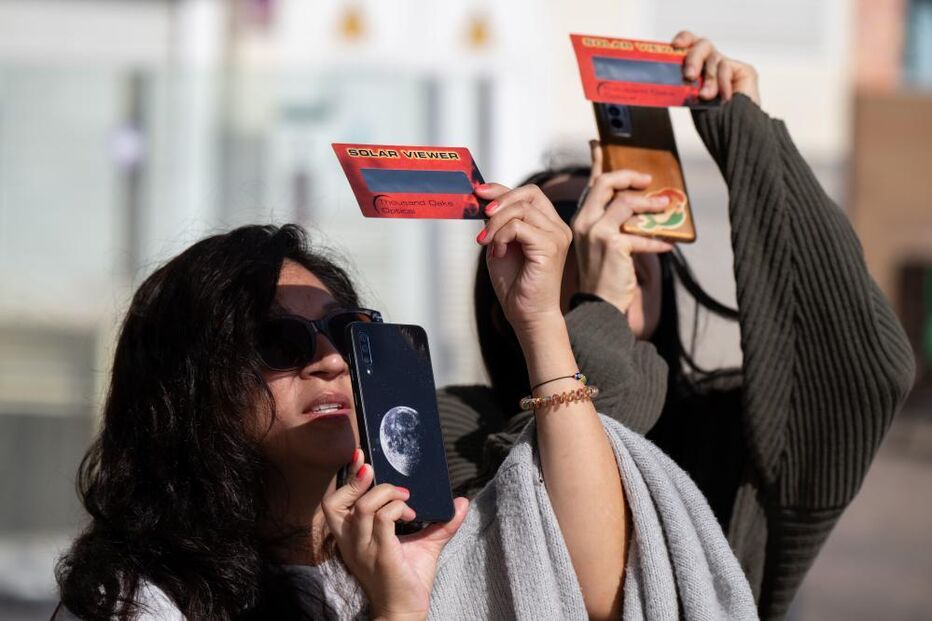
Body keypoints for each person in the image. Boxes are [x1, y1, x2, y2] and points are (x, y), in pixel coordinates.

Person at [54, 195, 757, 618]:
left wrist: (540, 321)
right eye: (279, 340)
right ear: (188, 386)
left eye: (344, 332)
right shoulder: (135, 598)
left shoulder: (412, 539)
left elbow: (591, 587)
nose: (330, 358)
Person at [438, 31, 917, 620]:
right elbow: (531, 544)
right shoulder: (456, 425)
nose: (606, 228)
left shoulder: (735, 428)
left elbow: (861, 368)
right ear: (501, 288)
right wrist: (599, 315)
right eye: (566, 221)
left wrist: (750, 139)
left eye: (633, 207)